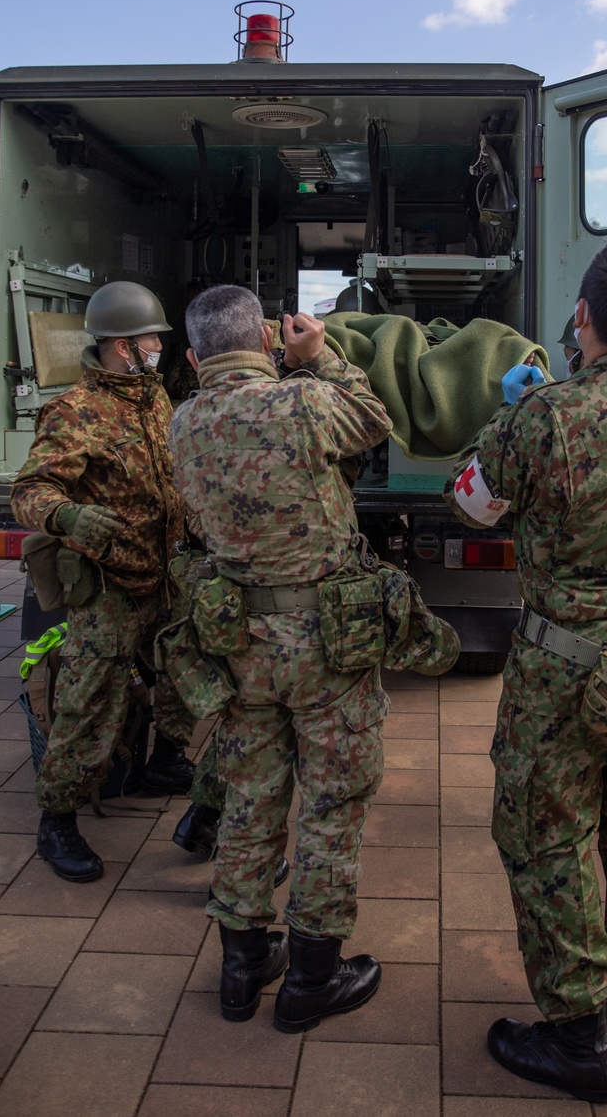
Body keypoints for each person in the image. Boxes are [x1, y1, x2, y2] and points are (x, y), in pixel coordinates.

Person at [445, 236, 607, 1104]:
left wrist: (510, 416)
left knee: (545, 837)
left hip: (566, 668)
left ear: (583, 316)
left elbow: (472, 501)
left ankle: (577, 1038)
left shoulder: (545, 415)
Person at [169, 285, 394, 1028]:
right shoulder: (301, 405)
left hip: (241, 650)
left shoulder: (183, 424)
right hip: (328, 648)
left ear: (195, 357)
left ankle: (242, 968)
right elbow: (373, 419)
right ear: (266, 338)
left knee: (249, 800)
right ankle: (310, 983)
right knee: (330, 806)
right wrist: (319, 354)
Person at [12, 281, 198, 884]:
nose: (158, 346)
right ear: (122, 345)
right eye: (152, 338)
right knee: (89, 701)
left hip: (164, 573)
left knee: (182, 674)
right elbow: (30, 490)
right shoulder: (75, 411)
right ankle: (57, 820)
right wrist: (67, 515)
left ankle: (164, 765)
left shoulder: (153, 399)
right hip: (111, 583)